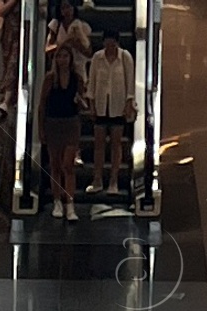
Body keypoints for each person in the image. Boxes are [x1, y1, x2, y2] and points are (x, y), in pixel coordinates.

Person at [38, 44, 87, 221]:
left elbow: (82, 102)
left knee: (68, 164)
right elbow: (42, 105)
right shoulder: (50, 79)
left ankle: (70, 203)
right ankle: (57, 200)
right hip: (53, 123)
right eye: (59, 57)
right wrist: (41, 128)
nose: (62, 60)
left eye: (65, 56)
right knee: (55, 164)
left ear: (70, 59)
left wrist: (81, 102)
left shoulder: (77, 79)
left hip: (71, 123)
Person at [86, 32, 135, 198]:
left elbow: (130, 82)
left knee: (116, 144)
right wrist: (91, 105)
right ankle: (97, 179)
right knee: (99, 144)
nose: (109, 47)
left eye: (112, 44)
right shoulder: (97, 58)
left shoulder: (125, 57)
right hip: (101, 105)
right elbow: (91, 83)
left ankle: (113, 181)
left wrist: (129, 103)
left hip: (118, 105)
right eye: (107, 44)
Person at [46, 0, 91, 79]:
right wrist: (64, 45)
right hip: (59, 67)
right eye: (63, 8)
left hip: (78, 67)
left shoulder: (83, 26)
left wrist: (76, 43)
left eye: (68, 7)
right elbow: (48, 49)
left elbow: (89, 52)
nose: (66, 10)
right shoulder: (55, 25)